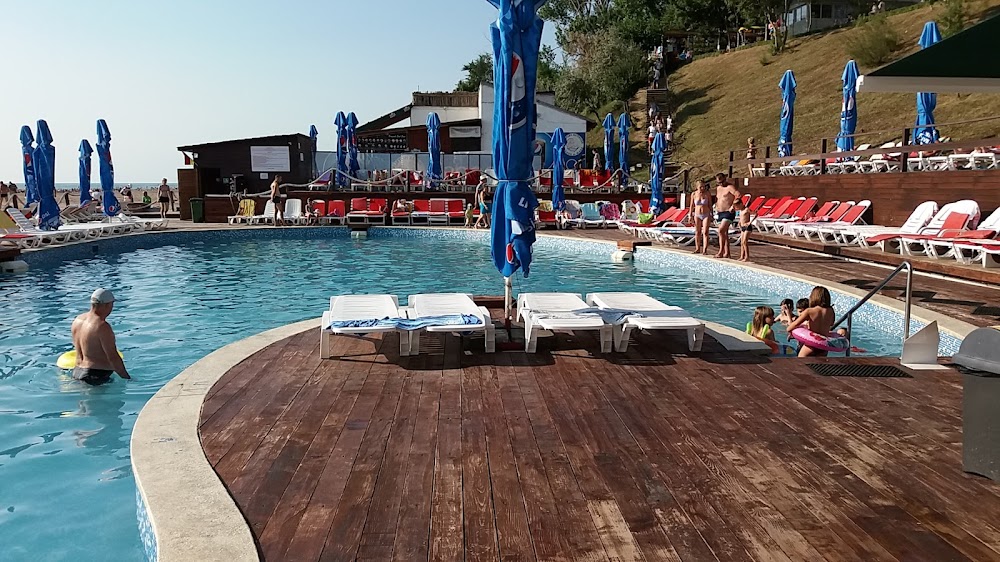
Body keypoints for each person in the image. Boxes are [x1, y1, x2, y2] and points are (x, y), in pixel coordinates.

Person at [71, 288, 131, 385]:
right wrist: (127, 378)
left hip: (77, 372)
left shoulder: (78, 320)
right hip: (96, 376)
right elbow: (113, 357)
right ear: (107, 305)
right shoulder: (102, 326)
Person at [786, 286, 838, 357]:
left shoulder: (810, 311)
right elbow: (831, 323)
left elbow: (791, 327)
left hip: (810, 345)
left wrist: (793, 332)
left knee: (800, 362)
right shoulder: (831, 311)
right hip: (823, 346)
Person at [714, 173, 741, 259]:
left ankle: (720, 252)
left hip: (728, 212)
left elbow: (738, 195)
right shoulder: (718, 188)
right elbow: (718, 199)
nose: (721, 184)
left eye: (722, 182)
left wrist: (733, 206)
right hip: (720, 212)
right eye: (719, 182)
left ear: (725, 179)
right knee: (724, 233)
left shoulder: (730, 187)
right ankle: (727, 252)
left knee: (721, 231)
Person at [689, 180, 712, 255]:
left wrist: (711, 214)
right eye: (700, 187)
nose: (702, 188)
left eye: (703, 186)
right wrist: (690, 215)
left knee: (705, 232)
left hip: (706, 214)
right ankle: (697, 248)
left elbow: (710, 204)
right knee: (697, 232)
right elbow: (692, 205)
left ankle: (705, 249)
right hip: (697, 214)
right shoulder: (694, 194)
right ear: (697, 187)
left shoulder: (707, 193)